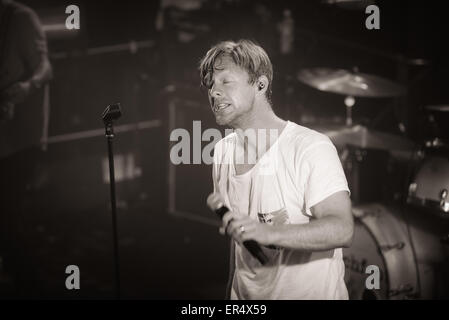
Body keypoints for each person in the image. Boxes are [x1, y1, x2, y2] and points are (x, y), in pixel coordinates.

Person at [201, 40, 353, 300]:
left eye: (225, 82)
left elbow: (342, 228)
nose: (214, 92)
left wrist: (268, 232)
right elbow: (238, 242)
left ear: (260, 84)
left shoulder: (309, 146)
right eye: (211, 84)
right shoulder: (223, 151)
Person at [0, 0, 52, 296]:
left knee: (12, 222)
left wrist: (24, 88)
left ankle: (28, 286)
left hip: (17, 144)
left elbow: (44, 69)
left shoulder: (19, 19)